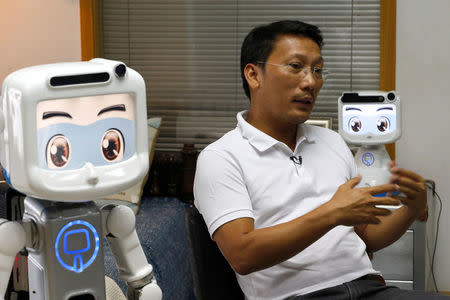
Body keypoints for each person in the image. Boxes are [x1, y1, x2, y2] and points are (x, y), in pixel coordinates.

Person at [193, 20, 446, 300]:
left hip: (369, 289)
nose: (311, 82)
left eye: (318, 70)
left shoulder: (332, 142)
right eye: (295, 66)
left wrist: (411, 208)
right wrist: (332, 213)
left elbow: (368, 236)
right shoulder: (221, 157)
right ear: (254, 75)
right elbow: (243, 255)